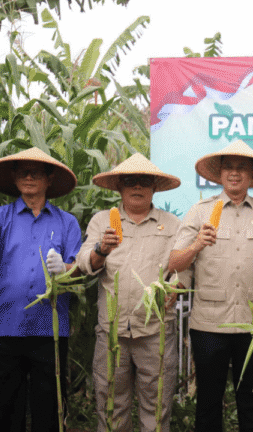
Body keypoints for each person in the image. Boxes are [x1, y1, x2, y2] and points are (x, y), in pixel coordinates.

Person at [0, 147, 81, 432]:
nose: (29, 176)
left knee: (48, 414)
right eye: (23, 171)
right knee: (4, 413)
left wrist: (65, 269)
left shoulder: (67, 222)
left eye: (36, 172)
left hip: (50, 331)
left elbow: (80, 268)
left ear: (49, 178)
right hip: (3, 327)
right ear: (14, 178)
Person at [167, 140, 253, 432]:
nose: (235, 173)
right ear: (220, 174)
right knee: (208, 401)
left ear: (252, 174)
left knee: (251, 401)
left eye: (242, 168)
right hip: (210, 323)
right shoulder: (200, 211)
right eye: (229, 167)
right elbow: (175, 262)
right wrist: (197, 245)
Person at [77, 153, 184, 432]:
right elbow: (85, 262)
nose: (137, 186)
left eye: (144, 181)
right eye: (130, 181)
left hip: (156, 330)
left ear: (154, 187)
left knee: (157, 407)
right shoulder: (102, 221)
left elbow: (183, 266)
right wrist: (101, 249)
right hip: (112, 329)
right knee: (111, 405)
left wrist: (178, 284)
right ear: (119, 187)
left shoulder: (172, 224)